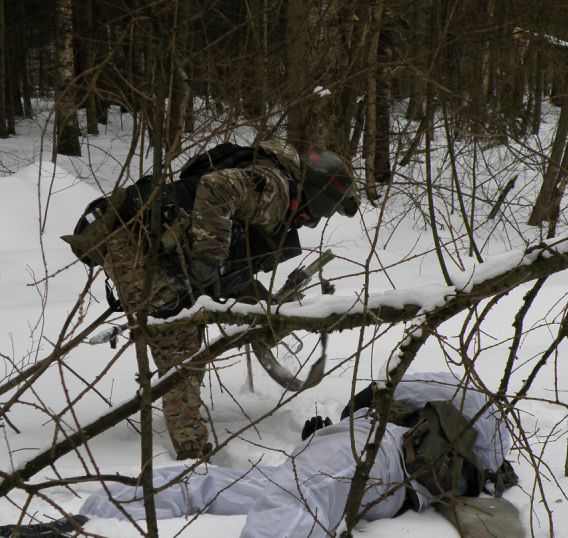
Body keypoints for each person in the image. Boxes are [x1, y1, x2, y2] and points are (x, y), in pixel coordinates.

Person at [0, 371, 515, 538]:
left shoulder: (456, 411)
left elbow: (473, 460)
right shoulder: (399, 410)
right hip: (327, 457)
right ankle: (80, 522)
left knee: (307, 494)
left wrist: (365, 419)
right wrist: (336, 427)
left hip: (380, 467)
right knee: (204, 478)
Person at [68, 139, 358, 461]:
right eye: (321, 213)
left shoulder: (268, 178)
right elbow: (215, 187)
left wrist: (259, 306)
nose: (313, 222)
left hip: (146, 239)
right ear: (318, 199)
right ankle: (192, 460)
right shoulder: (277, 189)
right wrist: (208, 258)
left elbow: (233, 251)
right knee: (180, 350)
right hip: (128, 238)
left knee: (226, 310)